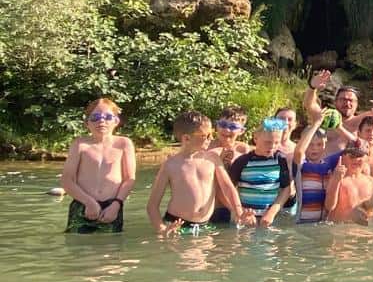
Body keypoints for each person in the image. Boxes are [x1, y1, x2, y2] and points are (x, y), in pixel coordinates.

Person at [146, 112, 254, 235]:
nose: (211, 139)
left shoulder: (213, 159)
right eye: (205, 136)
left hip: (205, 226)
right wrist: (162, 229)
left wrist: (239, 212)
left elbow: (228, 188)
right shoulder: (170, 165)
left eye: (211, 134)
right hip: (176, 226)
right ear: (187, 138)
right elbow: (152, 206)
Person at [61, 98, 136, 233]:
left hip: (112, 206)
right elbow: (67, 180)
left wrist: (116, 205)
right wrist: (89, 202)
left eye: (108, 117)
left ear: (116, 121)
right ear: (87, 123)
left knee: (112, 244)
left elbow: (129, 179)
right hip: (83, 204)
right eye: (95, 117)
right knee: (76, 243)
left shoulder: (124, 144)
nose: (101, 121)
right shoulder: (80, 145)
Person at [228, 118, 293, 227]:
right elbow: (230, 189)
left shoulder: (280, 160)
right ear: (256, 138)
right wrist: (240, 211)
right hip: (245, 217)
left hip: (269, 219)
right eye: (268, 142)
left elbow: (286, 189)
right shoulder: (243, 161)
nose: (272, 146)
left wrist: (272, 213)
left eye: (276, 142)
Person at [324, 142, 373, 223]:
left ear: (366, 159)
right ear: (343, 157)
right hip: (341, 227)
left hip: (364, 229)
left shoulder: (371, 181)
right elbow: (329, 207)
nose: (356, 160)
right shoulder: (337, 179)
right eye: (352, 156)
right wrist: (336, 180)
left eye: (360, 156)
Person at [206, 106, 251, 171]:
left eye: (233, 127)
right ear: (216, 125)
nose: (227, 129)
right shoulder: (206, 147)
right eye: (223, 125)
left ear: (241, 131)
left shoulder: (242, 150)